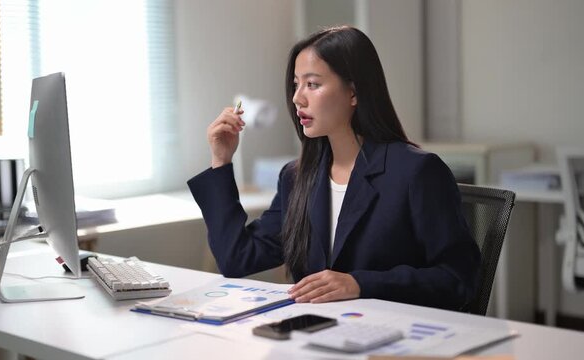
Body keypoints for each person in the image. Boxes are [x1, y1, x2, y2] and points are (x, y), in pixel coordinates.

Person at [187, 26, 480, 310]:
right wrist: (221, 161)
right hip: (317, 335)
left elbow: (458, 279)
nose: (297, 98)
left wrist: (360, 284)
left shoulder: (416, 172)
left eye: (312, 84)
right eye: (295, 84)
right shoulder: (297, 177)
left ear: (354, 92)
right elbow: (236, 259)